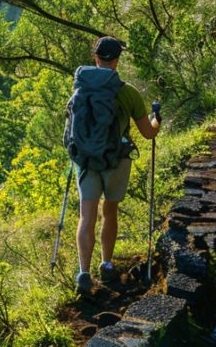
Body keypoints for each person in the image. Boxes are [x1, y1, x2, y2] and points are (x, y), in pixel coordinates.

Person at [74, 36, 161, 293]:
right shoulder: (128, 92)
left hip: (87, 161)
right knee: (109, 211)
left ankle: (83, 273)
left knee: (86, 216)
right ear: (117, 61)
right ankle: (107, 264)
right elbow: (148, 133)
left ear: (96, 58)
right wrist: (157, 118)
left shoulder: (80, 88)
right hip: (116, 160)